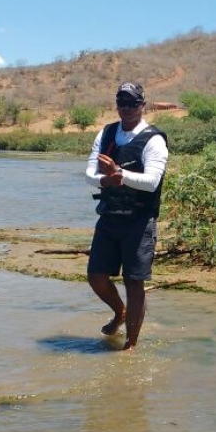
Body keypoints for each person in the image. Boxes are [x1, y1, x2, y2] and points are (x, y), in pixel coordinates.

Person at [84, 82, 169, 350]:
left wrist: (119, 175)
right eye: (122, 103)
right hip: (109, 217)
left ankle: (130, 345)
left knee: (134, 283)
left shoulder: (153, 139)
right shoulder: (107, 133)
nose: (127, 108)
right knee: (96, 277)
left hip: (139, 221)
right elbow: (89, 174)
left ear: (142, 105)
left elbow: (152, 181)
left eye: (133, 103)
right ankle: (119, 312)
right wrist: (106, 180)